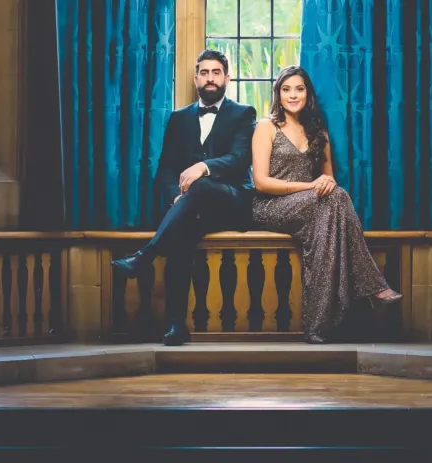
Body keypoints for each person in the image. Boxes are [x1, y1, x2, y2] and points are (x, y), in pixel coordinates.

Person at [111, 50, 257, 346]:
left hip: (232, 201)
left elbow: (240, 159)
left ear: (227, 78)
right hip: (191, 207)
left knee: (200, 187)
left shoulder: (244, 113)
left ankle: (144, 256)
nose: (210, 78)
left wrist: (204, 168)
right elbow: (166, 169)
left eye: (216, 72)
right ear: (195, 79)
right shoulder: (179, 118)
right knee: (181, 232)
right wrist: (177, 199)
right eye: (204, 72)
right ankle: (176, 325)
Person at [250, 66, 402, 344]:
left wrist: (323, 185)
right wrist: (311, 186)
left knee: (327, 233)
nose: (293, 95)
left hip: (313, 208)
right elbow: (261, 183)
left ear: (308, 94)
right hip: (271, 207)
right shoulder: (266, 127)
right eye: (286, 89)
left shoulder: (319, 133)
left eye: (299, 89)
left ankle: (317, 328)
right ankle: (373, 285)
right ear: (278, 94)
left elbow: (328, 181)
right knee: (338, 198)